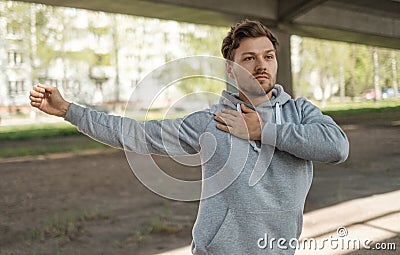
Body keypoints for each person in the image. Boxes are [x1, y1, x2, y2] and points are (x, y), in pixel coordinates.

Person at [29, 20, 349, 255]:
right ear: (230, 68)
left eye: (268, 56)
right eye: (248, 58)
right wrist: (69, 110)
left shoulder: (300, 112)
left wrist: (262, 130)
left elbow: (336, 148)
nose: (261, 65)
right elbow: (135, 134)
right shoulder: (209, 122)